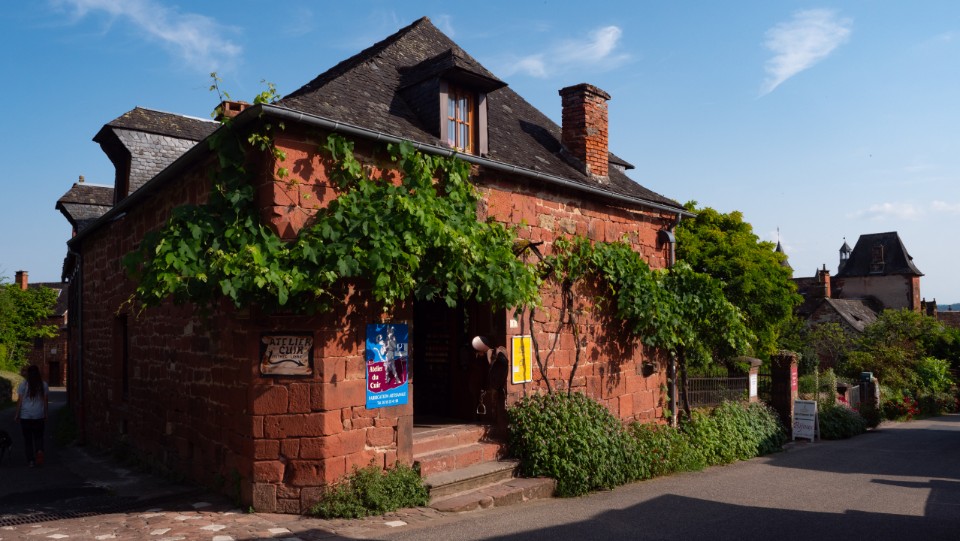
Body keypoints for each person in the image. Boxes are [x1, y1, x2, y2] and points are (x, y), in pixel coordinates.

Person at [14, 365, 48, 467]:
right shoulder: (43, 385)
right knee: (39, 436)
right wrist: (46, 414)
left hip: (25, 416)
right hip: (39, 415)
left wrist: (17, 414)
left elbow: (19, 401)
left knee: (28, 439)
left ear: (28, 374)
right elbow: (45, 401)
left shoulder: (23, 385)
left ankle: (31, 461)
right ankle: (39, 451)